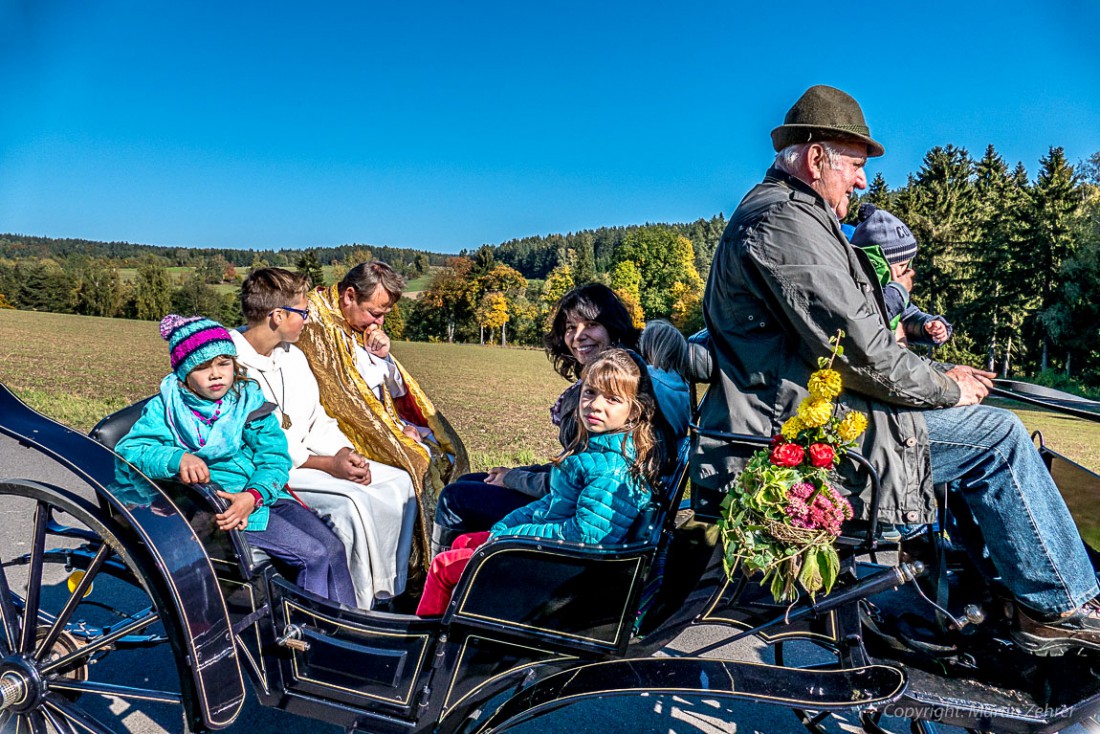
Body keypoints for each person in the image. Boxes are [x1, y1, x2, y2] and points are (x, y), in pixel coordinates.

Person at [693, 84, 1100, 655]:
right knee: (999, 435)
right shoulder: (786, 223)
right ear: (816, 158)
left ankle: (991, 588)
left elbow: (855, 342)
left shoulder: (789, 216)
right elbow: (859, 350)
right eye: (856, 165)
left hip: (804, 420)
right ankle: (1058, 606)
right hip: (795, 439)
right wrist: (946, 389)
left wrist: (936, 372)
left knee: (981, 430)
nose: (862, 181)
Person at [430, 284, 690, 555]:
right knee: (469, 482)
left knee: (454, 498)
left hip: (571, 511)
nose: (578, 336)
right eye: (570, 327)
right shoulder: (621, 384)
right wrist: (520, 474)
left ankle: (449, 581)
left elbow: (581, 478)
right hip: (572, 500)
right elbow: (574, 463)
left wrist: (514, 479)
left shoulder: (623, 394)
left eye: (590, 324)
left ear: (613, 327)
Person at [115, 314, 355, 606]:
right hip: (217, 508)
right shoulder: (166, 409)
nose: (216, 374)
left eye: (223, 364)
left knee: (332, 547)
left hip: (260, 494)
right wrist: (177, 458)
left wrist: (254, 494)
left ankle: (347, 632)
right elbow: (132, 450)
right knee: (313, 556)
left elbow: (275, 456)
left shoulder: (247, 400)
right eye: (202, 367)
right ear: (184, 372)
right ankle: (310, 639)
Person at [417, 349, 664, 617]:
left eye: (612, 399)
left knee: (443, 568)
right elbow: (552, 502)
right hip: (555, 553)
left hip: (563, 567)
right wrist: (505, 529)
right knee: (464, 541)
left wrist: (511, 538)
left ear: (633, 412)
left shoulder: (612, 470)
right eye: (590, 392)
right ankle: (464, 619)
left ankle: (430, 638)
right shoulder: (594, 452)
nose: (595, 405)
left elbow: (586, 537)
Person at [232, 268, 417, 609]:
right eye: (302, 312)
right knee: (354, 504)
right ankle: (357, 604)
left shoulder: (294, 356)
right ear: (276, 317)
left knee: (398, 483)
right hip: (272, 470)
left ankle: (389, 591)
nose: (307, 319)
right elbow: (259, 438)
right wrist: (329, 465)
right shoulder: (229, 363)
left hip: (313, 458)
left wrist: (345, 452)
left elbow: (317, 418)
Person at [297, 261, 469, 572]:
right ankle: (414, 572)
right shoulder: (315, 324)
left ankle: (441, 562)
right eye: (375, 313)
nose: (379, 321)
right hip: (338, 431)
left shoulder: (359, 324)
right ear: (349, 296)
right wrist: (394, 434)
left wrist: (383, 356)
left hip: (382, 419)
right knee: (417, 462)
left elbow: (388, 387)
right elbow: (343, 401)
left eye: (384, 315)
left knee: (450, 451)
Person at [847, 204, 952, 347]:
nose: (907, 272)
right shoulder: (857, 285)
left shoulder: (891, 290)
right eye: (902, 265)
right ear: (879, 264)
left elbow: (906, 314)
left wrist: (926, 326)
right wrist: (898, 291)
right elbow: (864, 320)